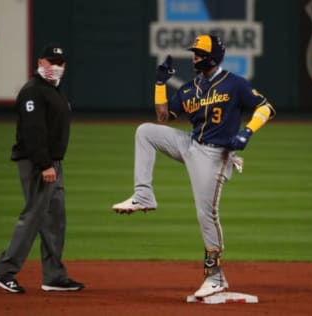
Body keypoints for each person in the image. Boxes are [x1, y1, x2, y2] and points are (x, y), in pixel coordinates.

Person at [112, 34, 276, 298]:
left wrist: (247, 132)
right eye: (194, 52)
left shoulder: (234, 84)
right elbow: (163, 117)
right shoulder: (189, 88)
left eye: (199, 53)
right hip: (190, 144)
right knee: (145, 131)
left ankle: (215, 276)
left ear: (213, 57)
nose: (194, 57)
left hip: (214, 155)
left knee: (206, 214)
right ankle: (143, 195)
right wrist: (159, 84)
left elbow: (265, 107)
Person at [0, 43, 84, 294]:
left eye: (60, 63)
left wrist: (52, 164)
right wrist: (44, 165)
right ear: (40, 62)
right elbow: (33, 131)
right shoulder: (33, 92)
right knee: (33, 216)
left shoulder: (54, 91)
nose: (56, 67)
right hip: (38, 163)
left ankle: (53, 276)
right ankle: (2, 270)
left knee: (54, 219)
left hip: (53, 163)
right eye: (51, 62)